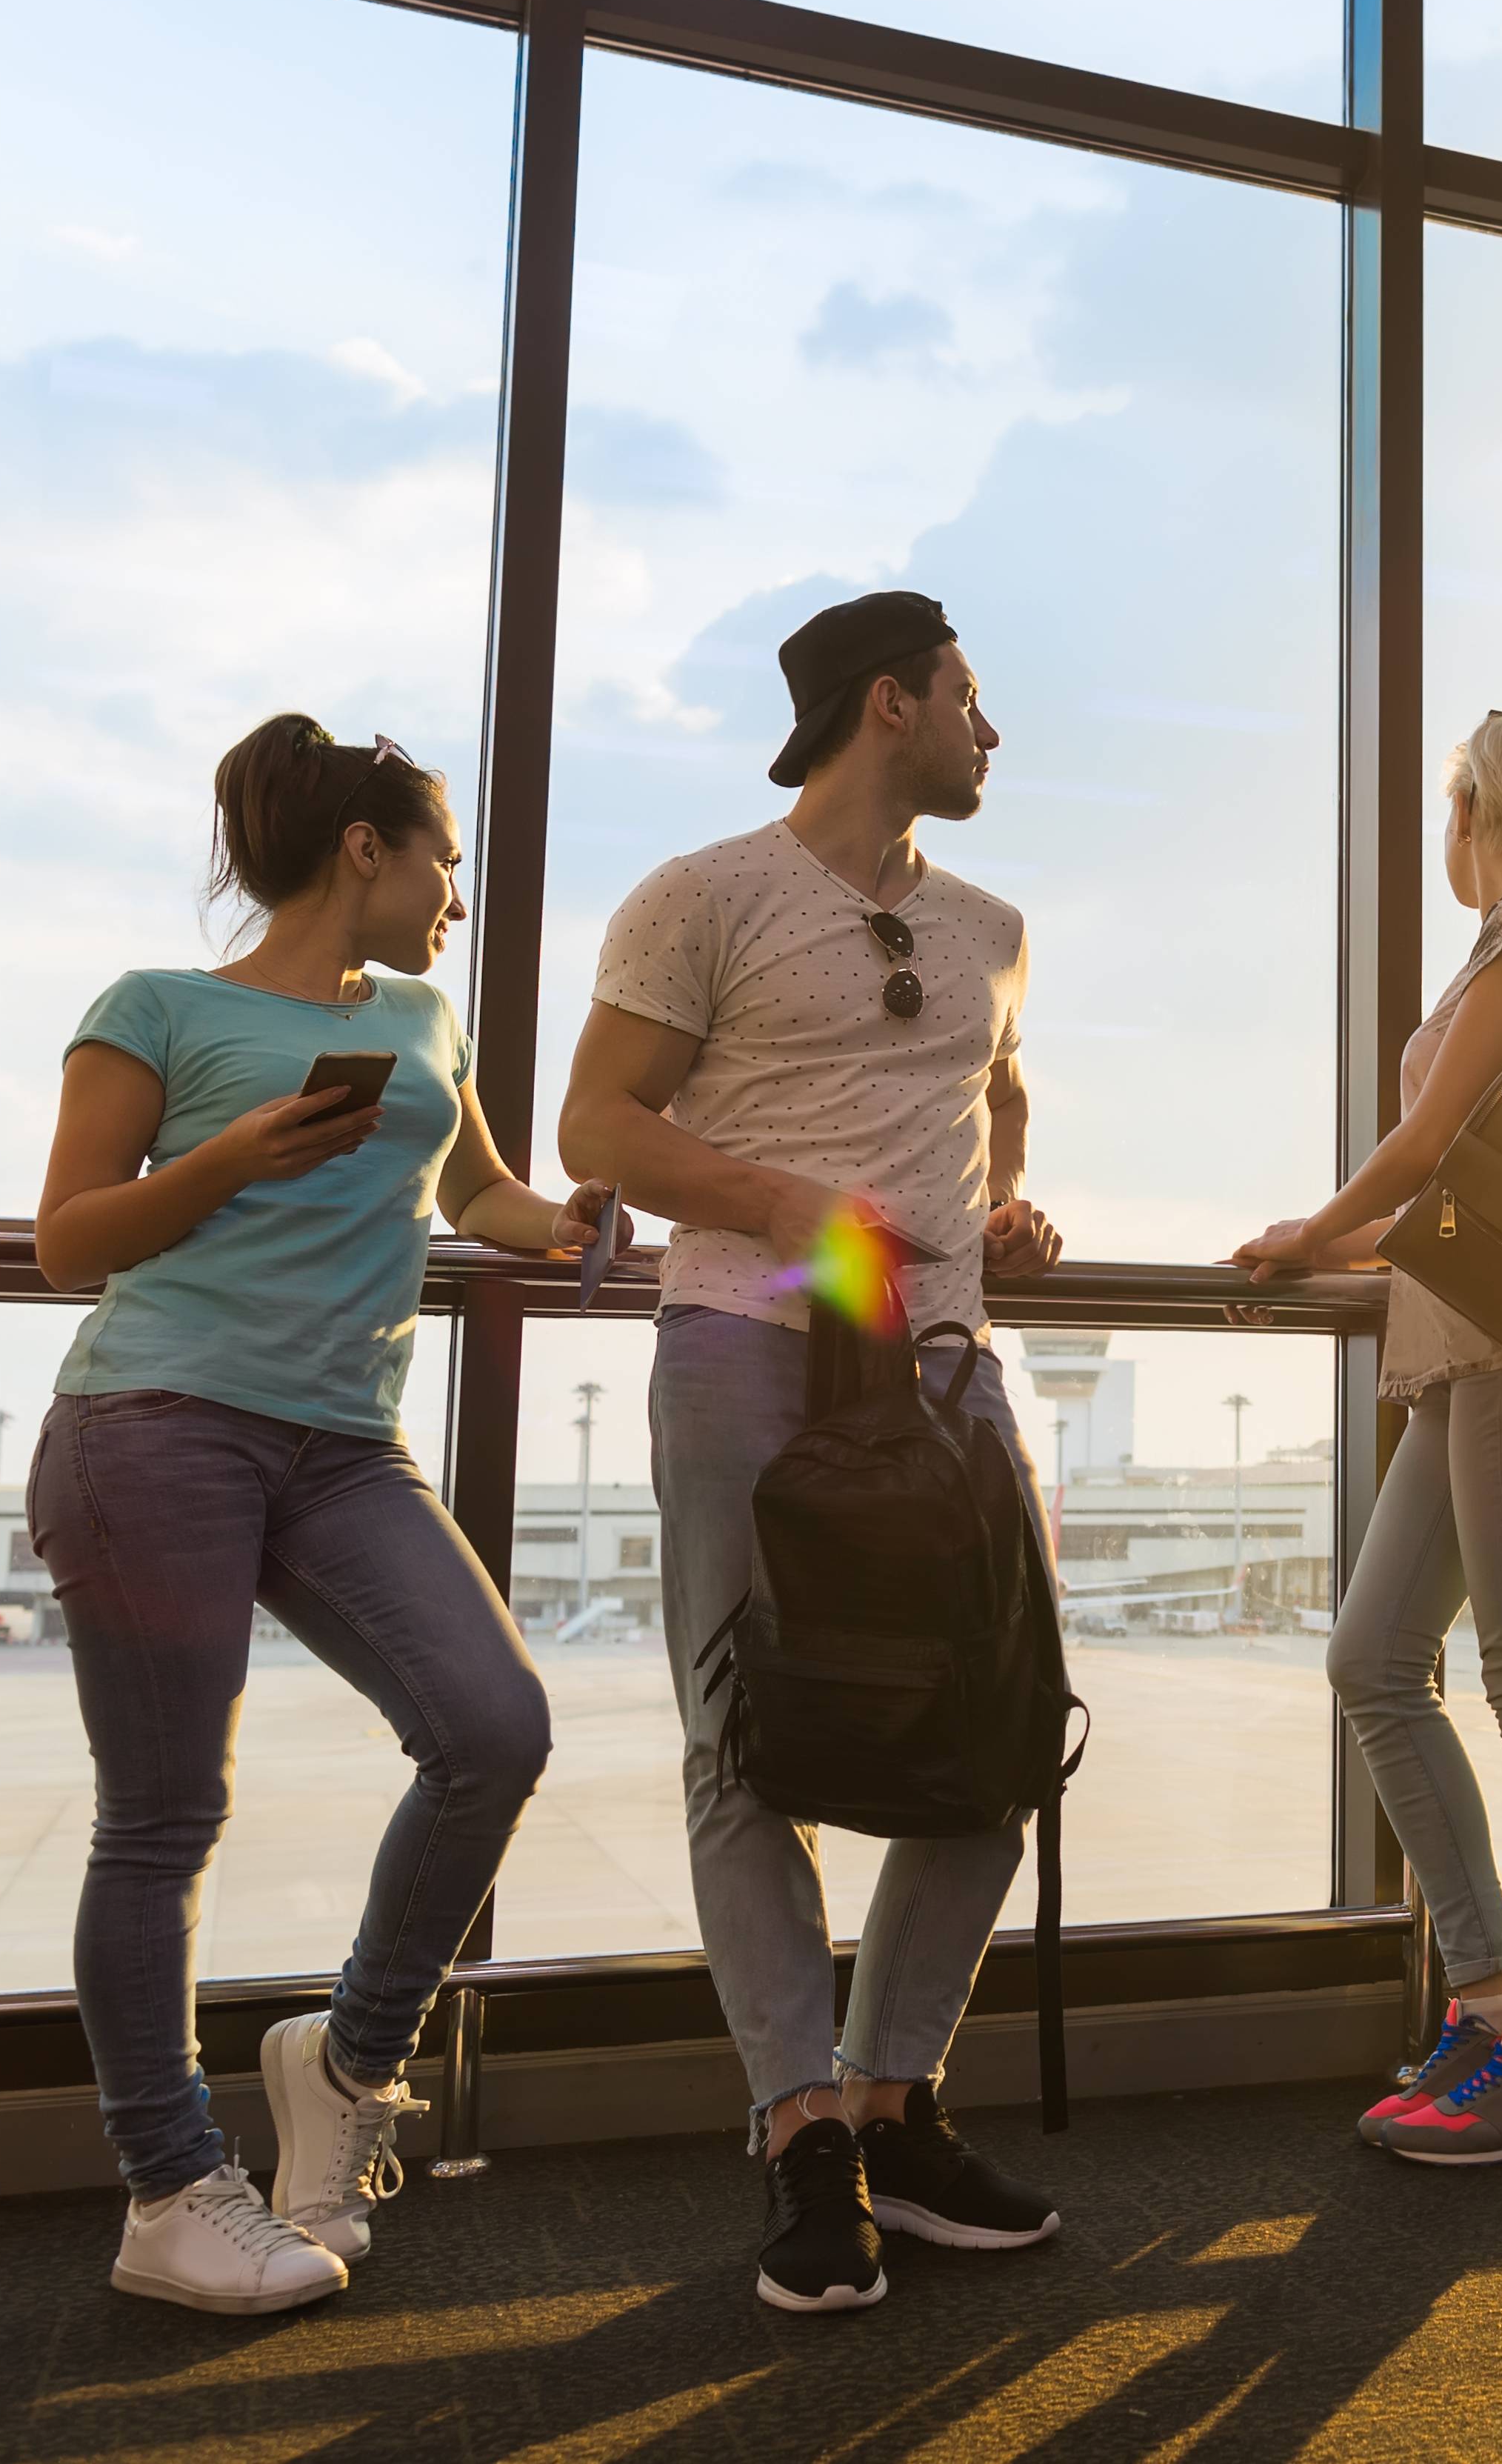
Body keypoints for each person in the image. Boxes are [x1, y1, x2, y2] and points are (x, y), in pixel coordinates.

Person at [30, 717, 608, 2315]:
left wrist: (570, 1229)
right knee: (162, 1819)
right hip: (158, 1424)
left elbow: (475, 1194)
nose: (456, 900)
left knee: (494, 1727)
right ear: (367, 849)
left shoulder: (423, 1019)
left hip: (347, 1446)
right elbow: (70, 1240)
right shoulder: (157, 1007)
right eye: (446, 862)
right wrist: (233, 1155)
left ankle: (345, 2067)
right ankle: (166, 2187)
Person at [555, 587, 1071, 2317]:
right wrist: (789, 1205)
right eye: (969, 699)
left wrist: (1000, 1205)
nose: (991, 733)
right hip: (745, 1351)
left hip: (939, 1373)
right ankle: (798, 2133)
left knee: (1001, 1734)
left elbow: (994, 1092)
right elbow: (597, 1126)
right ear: (887, 706)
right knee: (745, 1744)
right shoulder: (699, 895)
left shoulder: (995, 925)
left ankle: (889, 2100)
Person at [1234, 710, 1502, 2165]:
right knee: (1373, 1660)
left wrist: (1310, 1227)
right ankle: (1495, 1999)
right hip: (1465, 1344)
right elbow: (1467, 1191)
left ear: (1465, 804)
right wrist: (1346, 1256)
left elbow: (1420, 1148)